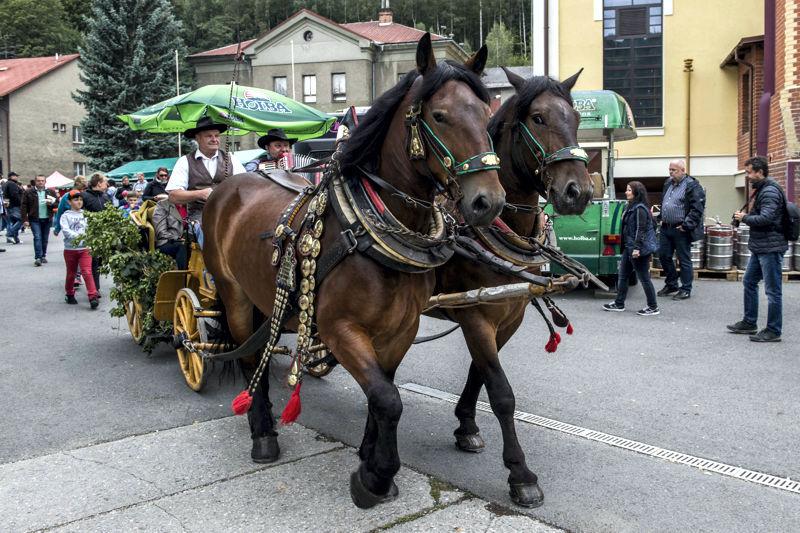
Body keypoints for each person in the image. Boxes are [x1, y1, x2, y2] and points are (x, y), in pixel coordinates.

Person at [727, 156, 787, 342]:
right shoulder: (762, 189)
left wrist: (744, 218)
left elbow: (766, 218)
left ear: (760, 172)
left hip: (771, 247)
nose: (747, 176)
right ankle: (749, 322)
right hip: (761, 246)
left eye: (749, 172)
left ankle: (773, 330)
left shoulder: (769, 191)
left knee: (772, 290)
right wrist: (744, 216)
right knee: (749, 282)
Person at [166, 117, 245, 222]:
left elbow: (245, 186)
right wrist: (199, 194)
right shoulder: (185, 161)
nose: (214, 139)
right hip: (200, 216)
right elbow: (173, 196)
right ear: (197, 138)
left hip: (231, 213)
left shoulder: (231, 158)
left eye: (217, 136)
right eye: (209, 136)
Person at [603, 181, 660, 315]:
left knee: (644, 278)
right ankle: (619, 303)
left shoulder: (640, 209)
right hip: (629, 248)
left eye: (629, 190)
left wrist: (636, 249)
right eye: (627, 190)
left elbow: (640, 230)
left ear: (636, 192)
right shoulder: (630, 207)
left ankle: (653, 306)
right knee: (622, 276)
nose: (626, 192)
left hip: (637, 250)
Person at [656, 159, 705, 300]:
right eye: (670, 170)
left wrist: (686, 225)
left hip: (681, 229)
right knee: (663, 256)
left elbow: (697, 208)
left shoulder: (692, 185)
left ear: (683, 170)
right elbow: (664, 202)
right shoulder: (668, 183)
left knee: (683, 259)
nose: (671, 173)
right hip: (666, 227)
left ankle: (686, 288)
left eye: (674, 170)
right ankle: (672, 284)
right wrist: (660, 217)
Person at [59, 190, 99, 309]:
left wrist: (91, 240)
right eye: (76, 200)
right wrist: (80, 237)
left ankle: (93, 296)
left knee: (87, 271)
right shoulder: (65, 216)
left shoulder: (86, 215)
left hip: (85, 248)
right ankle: (69, 293)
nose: (79, 202)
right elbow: (66, 231)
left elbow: (91, 229)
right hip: (70, 249)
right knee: (71, 273)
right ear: (69, 202)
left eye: (81, 200)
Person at [21, 174, 58, 266]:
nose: (40, 182)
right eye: (38, 181)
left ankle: (43, 255)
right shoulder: (29, 192)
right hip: (34, 219)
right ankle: (38, 257)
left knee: (44, 239)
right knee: (37, 237)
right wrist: (25, 219)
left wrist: (52, 203)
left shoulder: (50, 192)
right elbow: (23, 206)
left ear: (45, 182)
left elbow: (57, 203)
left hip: (47, 218)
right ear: (35, 181)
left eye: (42, 181)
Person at [82, 173, 110, 293]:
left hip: (104, 233)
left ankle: (94, 286)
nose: (106, 184)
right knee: (94, 261)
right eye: (104, 182)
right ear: (98, 183)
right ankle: (95, 289)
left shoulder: (105, 197)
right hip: (91, 233)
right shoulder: (84, 196)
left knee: (101, 261)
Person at [152, 198, 188, 269]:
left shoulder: (190, 205)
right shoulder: (163, 204)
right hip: (167, 242)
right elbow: (161, 232)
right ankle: (183, 276)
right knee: (181, 247)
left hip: (188, 240)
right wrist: (178, 238)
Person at [3, 171, 23, 244]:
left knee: (13, 222)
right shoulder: (12, 184)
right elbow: (14, 195)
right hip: (14, 205)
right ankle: (10, 234)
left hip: (8, 205)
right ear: (11, 177)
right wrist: (21, 203)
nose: (17, 177)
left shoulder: (6, 184)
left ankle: (15, 239)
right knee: (21, 220)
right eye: (15, 176)